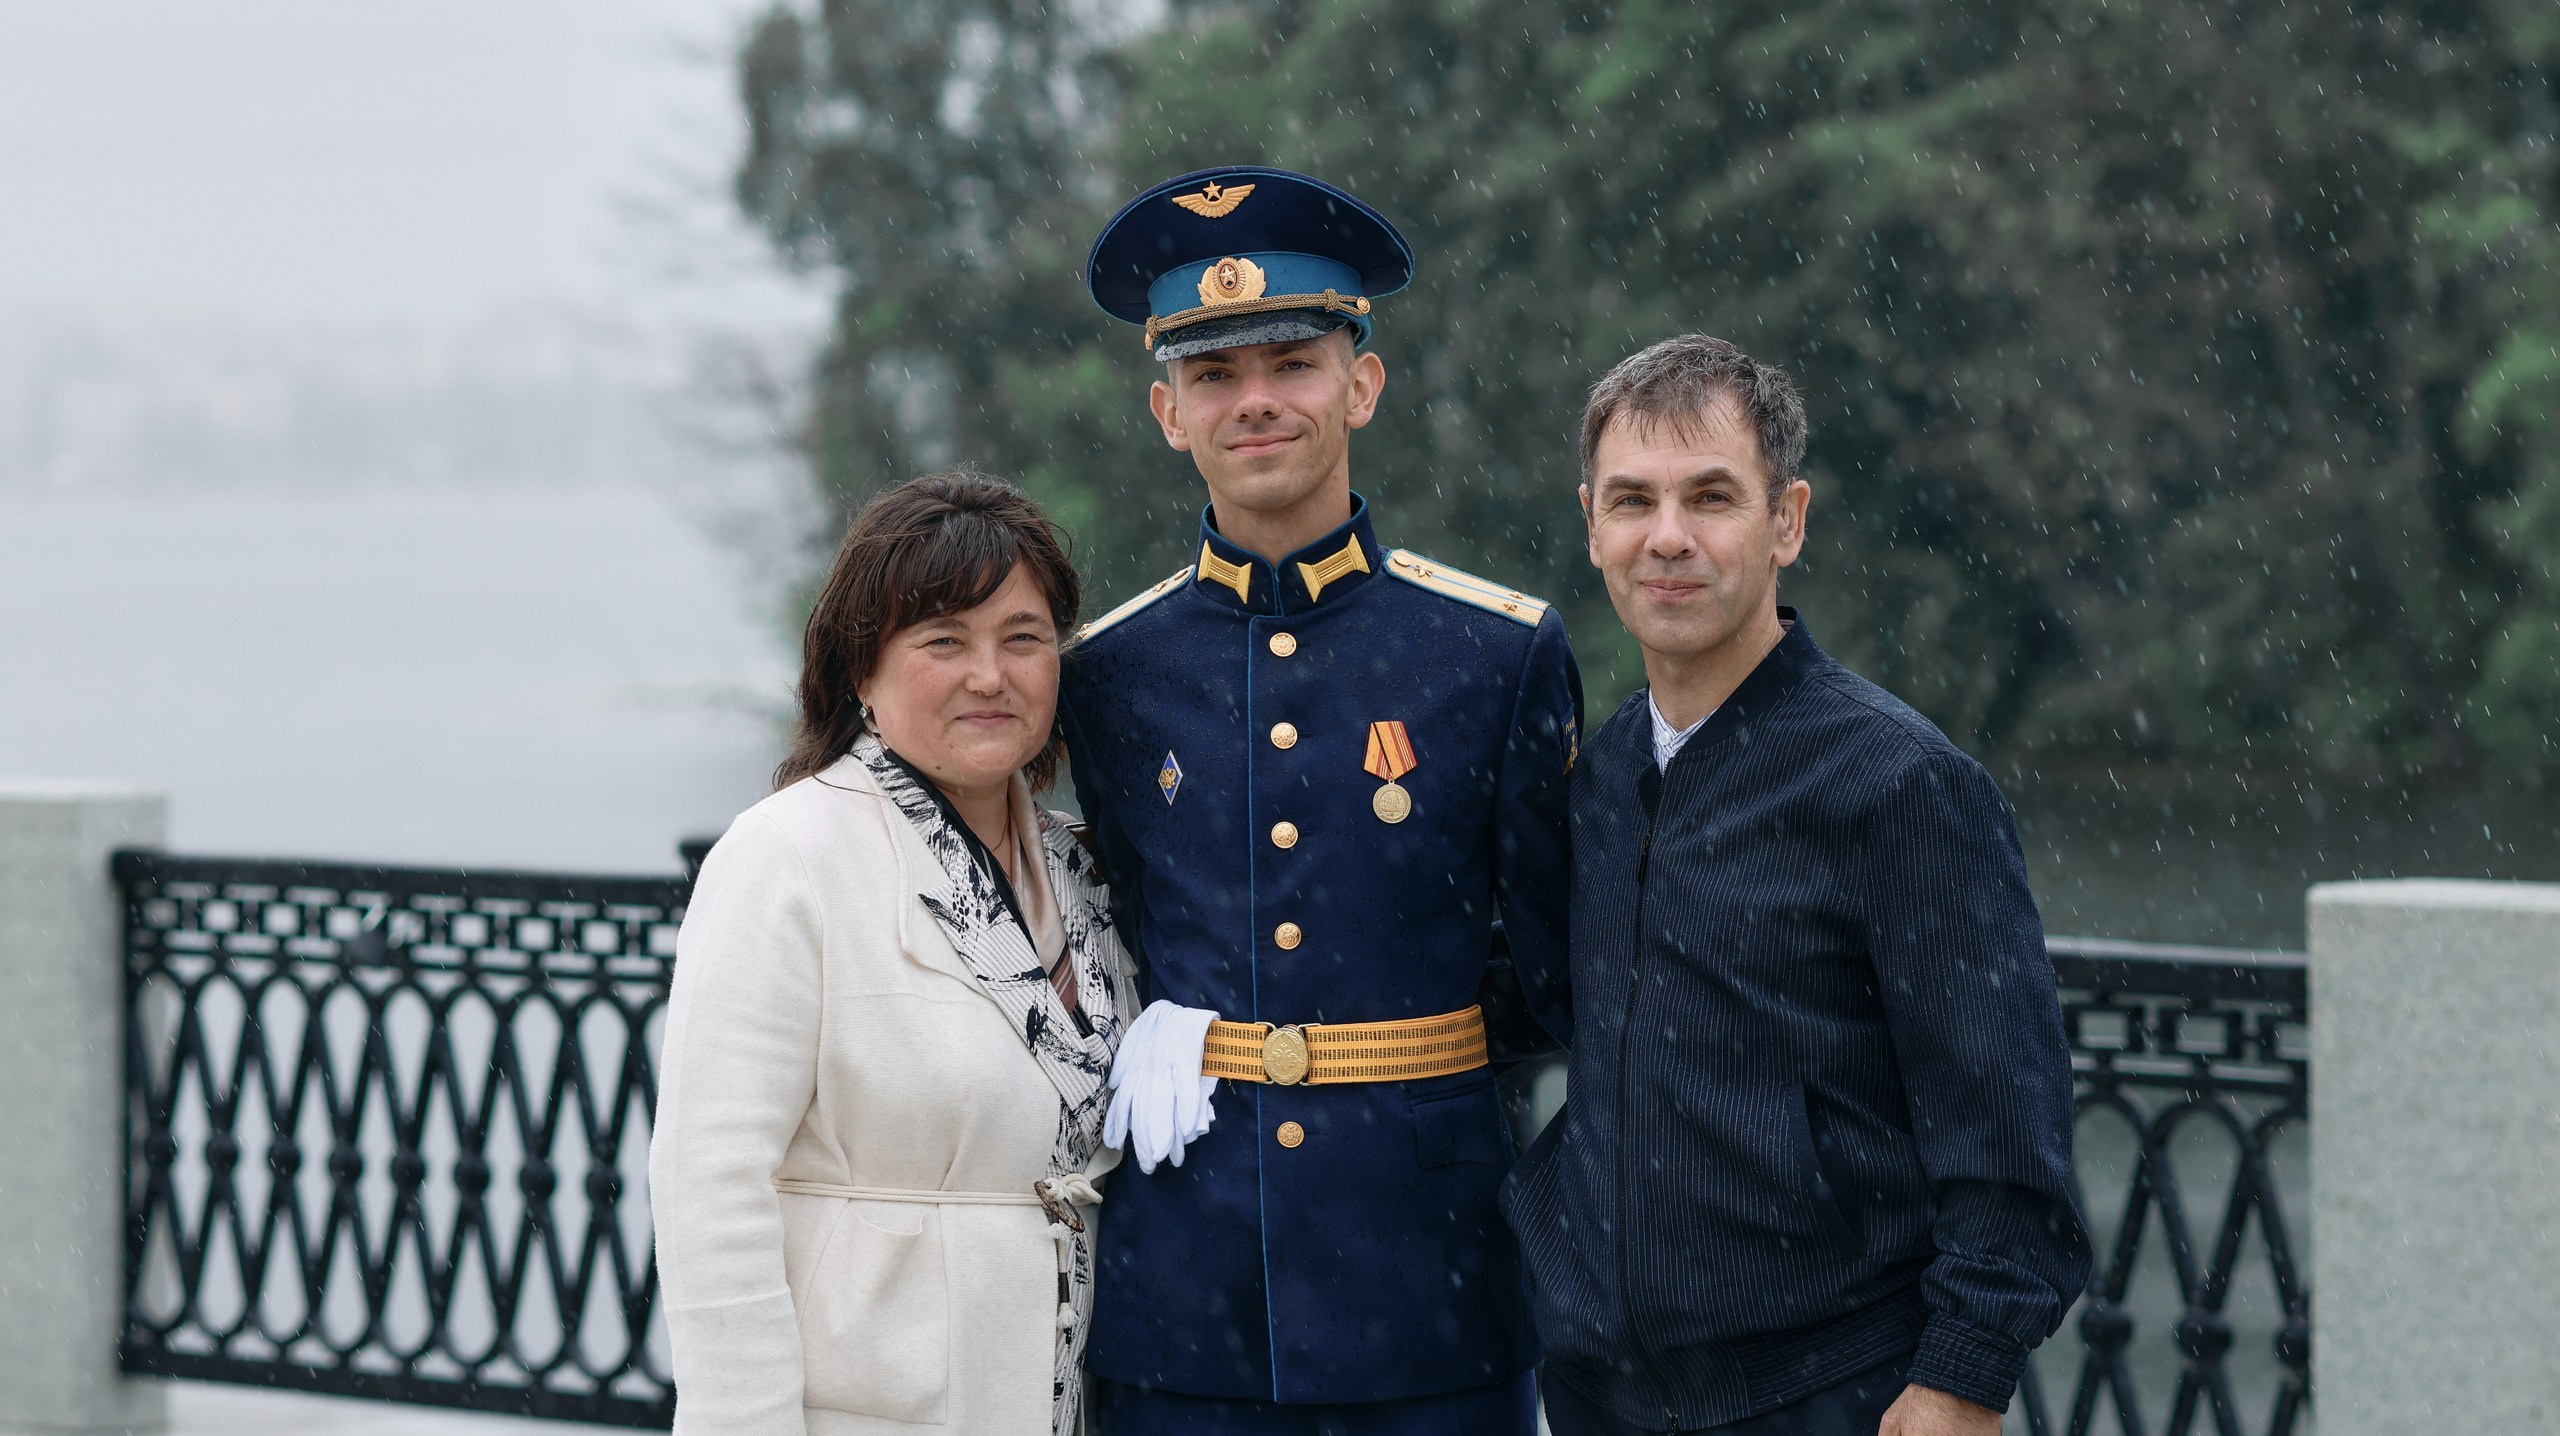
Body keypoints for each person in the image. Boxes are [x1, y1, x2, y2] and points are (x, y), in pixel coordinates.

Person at [1060, 166, 1581, 1435]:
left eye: (1291, 360)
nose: (1254, 401)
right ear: (1164, 410)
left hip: (1431, 1274)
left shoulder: (1495, 652)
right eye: (1211, 374)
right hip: (1186, 1287)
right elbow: (1117, 922)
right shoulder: (1108, 673)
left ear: (1362, 383)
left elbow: (1557, 967)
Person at [1502, 335, 2092, 1436]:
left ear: (1787, 521)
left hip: (1829, 1390)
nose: (1666, 537)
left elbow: (2004, 1119)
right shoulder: (1600, 776)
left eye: (1710, 497)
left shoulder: (1901, 785)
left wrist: (1965, 1371)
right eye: (1632, 500)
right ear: (1591, 524)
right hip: (1597, 1392)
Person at [650, 470, 1140, 1436]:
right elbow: (708, 1182)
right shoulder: (787, 855)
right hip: (872, 1406)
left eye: (1024, 638)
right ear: (860, 675)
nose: (989, 675)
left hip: (1069, 1395)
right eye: (943, 641)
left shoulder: (1083, 866)